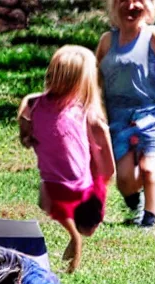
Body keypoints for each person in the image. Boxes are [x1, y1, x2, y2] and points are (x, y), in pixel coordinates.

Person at [18, 45, 116, 272]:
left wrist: (26, 134)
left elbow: (105, 154)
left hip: (77, 181)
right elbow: (26, 112)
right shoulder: (40, 104)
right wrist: (26, 133)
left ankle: (77, 234)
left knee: (85, 225)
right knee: (54, 206)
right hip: (67, 181)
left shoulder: (82, 112)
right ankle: (75, 237)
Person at [97, 0, 155, 227]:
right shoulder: (107, 41)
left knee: (150, 169)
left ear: (150, 6)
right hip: (119, 123)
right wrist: (95, 111)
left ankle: (151, 222)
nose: (132, 6)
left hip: (153, 118)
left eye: (139, 1)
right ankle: (135, 202)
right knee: (125, 181)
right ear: (114, 7)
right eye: (124, 1)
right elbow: (94, 80)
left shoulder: (154, 37)